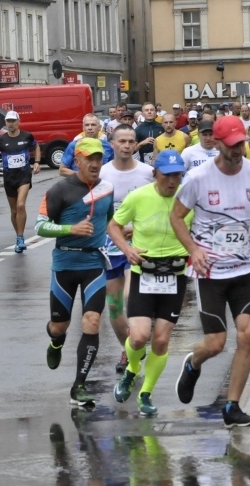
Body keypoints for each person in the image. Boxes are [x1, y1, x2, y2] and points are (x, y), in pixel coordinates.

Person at [169, 115, 250, 428]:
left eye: (240, 143)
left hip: (245, 269)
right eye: (231, 145)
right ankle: (193, 362)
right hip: (210, 273)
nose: (237, 150)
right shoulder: (198, 178)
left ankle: (232, 407)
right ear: (216, 143)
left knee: (247, 336)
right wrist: (194, 250)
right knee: (216, 342)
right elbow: (177, 217)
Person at [108, 150, 193, 416]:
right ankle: (132, 370)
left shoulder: (188, 199)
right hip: (144, 273)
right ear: (155, 173)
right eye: (167, 175)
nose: (172, 181)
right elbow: (113, 225)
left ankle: (146, 393)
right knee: (139, 337)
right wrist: (126, 249)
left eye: (177, 175)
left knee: (161, 340)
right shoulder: (139, 197)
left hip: (174, 275)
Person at [36, 137, 114, 407]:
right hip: (65, 264)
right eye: (89, 158)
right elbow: (40, 227)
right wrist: (71, 229)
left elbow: (109, 220)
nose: (95, 163)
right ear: (77, 160)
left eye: (99, 158)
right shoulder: (59, 190)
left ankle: (79, 385)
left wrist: (126, 240)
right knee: (60, 326)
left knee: (92, 322)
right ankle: (56, 341)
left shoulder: (107, 189)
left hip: (94, 264)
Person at [99, 125, 155, 373]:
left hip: (138, 244)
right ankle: (127, 349)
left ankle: (138, 337)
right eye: (121, 141)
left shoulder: (147, 172)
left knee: (129, 297)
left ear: (136, 145)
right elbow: (94, 210)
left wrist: (141, 226)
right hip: (109, 245)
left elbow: (160, 202)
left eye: (130, 141)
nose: (126, 145)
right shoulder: (101, 174)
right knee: (113, 306)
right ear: (111, 143)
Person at [0, 111, 41, 252]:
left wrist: (37, 162)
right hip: (9, 177)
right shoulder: (1, 140)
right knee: (13, 210)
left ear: (18, 121)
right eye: (8, 121)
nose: (10, 124)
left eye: (13, 121)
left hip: (24, 175)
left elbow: (36, 147)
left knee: (21, 205)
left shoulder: (26, 136)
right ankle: (18, 236)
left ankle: (21, 237)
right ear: (5, 123)